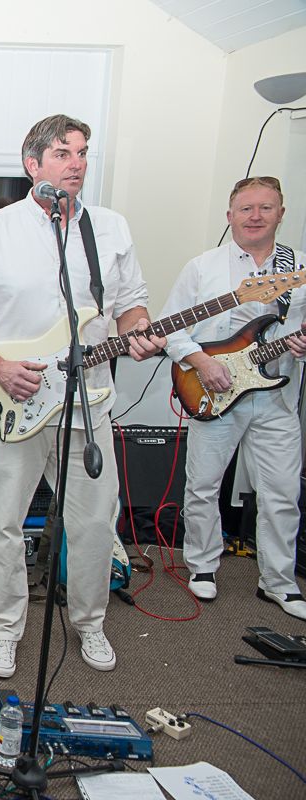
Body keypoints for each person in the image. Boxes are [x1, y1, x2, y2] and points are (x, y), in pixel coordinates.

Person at [0, 114, 165, 678]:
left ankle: (90, 623)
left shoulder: (110, 228)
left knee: (93, 524)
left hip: (90, 401)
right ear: (32, 164)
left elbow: (131, 304)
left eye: (83, 153)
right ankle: (4, 632)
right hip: (15, 401)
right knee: (3, 524)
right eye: (63, 153)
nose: (76, 164)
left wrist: (138, 329)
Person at [161, 176, 306, 620]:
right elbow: (170, 328)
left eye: (265, 208)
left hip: (277, 398)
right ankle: (202, 566)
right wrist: (202, 363)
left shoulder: (300, 268)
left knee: (281, 493)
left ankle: (278, 581)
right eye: (246, 209)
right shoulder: (202, 267)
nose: (255, 216)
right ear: (230, 216)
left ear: (281, 214)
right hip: (215, 392)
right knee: (203, 485)